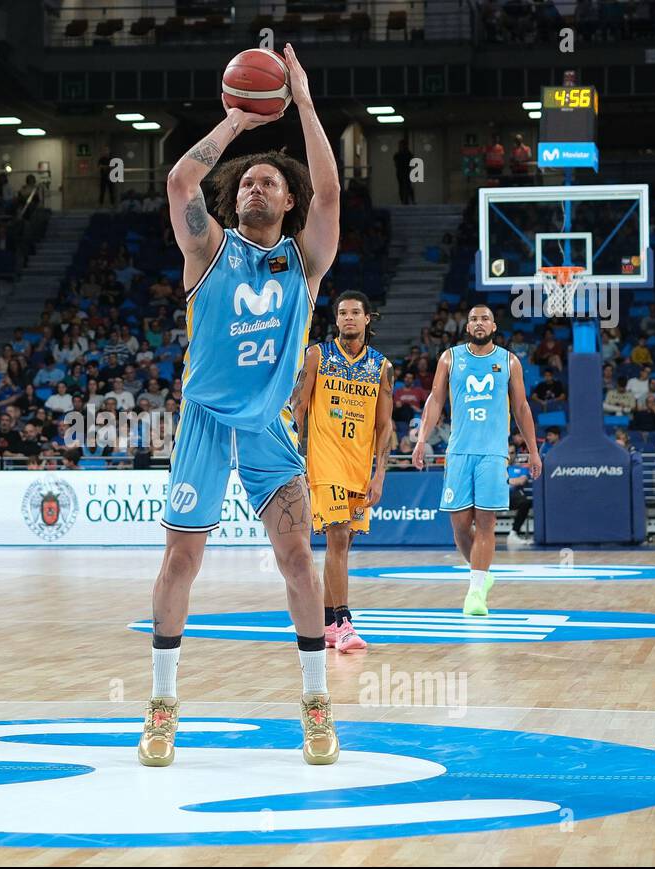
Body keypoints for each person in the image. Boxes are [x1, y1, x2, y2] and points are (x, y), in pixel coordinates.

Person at [140, 44, 341, 768]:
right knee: (180, 562)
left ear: (287, 202)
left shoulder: (305, 263)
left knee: (298, 562)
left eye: (269, 182)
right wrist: (235, 121)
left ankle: (316, 706)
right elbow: (179, 178)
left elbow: (330, 192)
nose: (256, 187)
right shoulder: (209, 252)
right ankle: (162, 707)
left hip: (267, 428)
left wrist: (305, 104)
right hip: (202, 422)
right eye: (248, 184)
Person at [413, 305, 542, 615]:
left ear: (493, 325)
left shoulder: (509, 361)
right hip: (458, 451)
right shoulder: (450, 357)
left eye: (485, 318)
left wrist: (534, 450)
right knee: (459, 525)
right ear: (467, 326)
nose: (479, 323)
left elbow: (522, 408)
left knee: (486, 523)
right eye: (474, 319)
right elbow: (435, 399)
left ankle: (475, 593)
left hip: (493, 452)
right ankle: (482, 574)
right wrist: (421, 439)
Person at [293, 291, 392, 653]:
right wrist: (297, 457)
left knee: (344, 543)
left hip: (358, 468)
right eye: (342, 313)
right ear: (336, 319)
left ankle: (323, 623)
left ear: (368, 319)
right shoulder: (318, 355)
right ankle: (345, 622)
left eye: (355, 312)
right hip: (324, 462)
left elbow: (385, 426)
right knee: (337, 537)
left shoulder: (382, 367)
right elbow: (298, 407)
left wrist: (379, 474)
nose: (348, 318)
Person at [506, 444, 533, 545]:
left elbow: (522, 481)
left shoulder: (521, 468)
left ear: (516, 454)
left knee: (525, 502)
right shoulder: (495, 468)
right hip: (496, 497)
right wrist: (512, 481)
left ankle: (513, 534)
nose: (509, 455)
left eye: (512, 453)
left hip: (512, 497)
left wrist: (505, 480)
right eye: (507, 452)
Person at [393, 139, 415, 205]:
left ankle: (409, 200)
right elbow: (396, 163)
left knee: (407, 186)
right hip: (400, 173)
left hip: (406, 172)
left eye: (401, 145)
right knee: (402, 187)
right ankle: (404, 201)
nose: (400, 146)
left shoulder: (408, 154)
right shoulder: (397, 154)